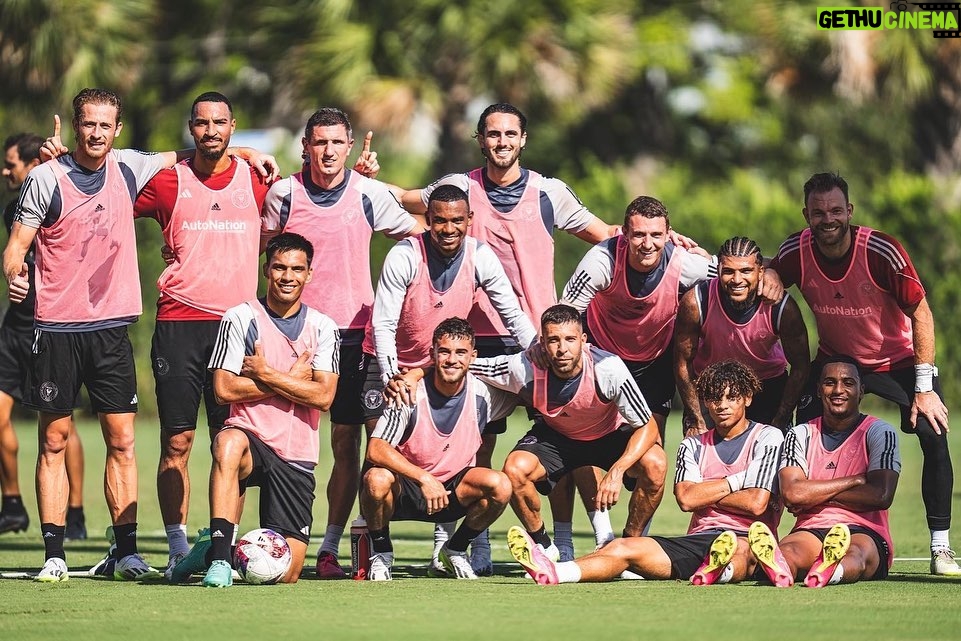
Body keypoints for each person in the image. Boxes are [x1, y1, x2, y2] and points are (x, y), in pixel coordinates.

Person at [1, 88, 276, 582]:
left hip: (120, 328)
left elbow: (203, 155)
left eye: (105, 125)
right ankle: (58, 553)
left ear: (117, 130)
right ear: (77, 124)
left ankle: (145, 550)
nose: (96, 133)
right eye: (89, 124)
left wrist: (247, 153)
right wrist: (15, 270)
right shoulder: (56, 177)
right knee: (58, 439)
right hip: (66, 327)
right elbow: (17, 244)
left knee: (134, 440)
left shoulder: (132, 168)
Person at [394, 103, 621, 569]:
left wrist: (669, 239)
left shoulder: (549, 193)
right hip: (475, 338)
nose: (501, 141)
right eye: (492, 134)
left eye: (510, 133)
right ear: (481, 140)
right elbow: (404, 198)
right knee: (472, 441)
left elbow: (608, 236)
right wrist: (367, 178)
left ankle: (569, 539)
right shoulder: (458, 189)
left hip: (539, 340)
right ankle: (461, 538)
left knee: (565, 438)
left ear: (523, 139)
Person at [768, 172, 957, 575]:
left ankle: (940, 548)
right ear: (806, 215)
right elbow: (759, 277)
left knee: (933, 430)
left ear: (849, 211)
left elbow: (921, 313)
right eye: (818, 213)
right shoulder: (794, 251)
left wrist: (924, 388)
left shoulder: (881, 250)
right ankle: (804, 530)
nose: (827, 219)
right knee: (797, 430)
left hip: (897, 361)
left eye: (835, 210)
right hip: (837, 360)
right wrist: (759, 275)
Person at [261, 107, 421, 578]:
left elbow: (421, 234)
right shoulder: (284, 194)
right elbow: (259, 248)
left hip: (358, 337)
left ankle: (345, 546)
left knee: (362, 441)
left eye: (336, 143)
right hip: (300, 337)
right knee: (293, 440)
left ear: (349, 147)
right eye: (319, 142)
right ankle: (278, 538)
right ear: (305, 147)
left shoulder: (368, 193)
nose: (328, 151)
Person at [133, 92, 273, 579]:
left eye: (220, 122)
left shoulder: (258, 181)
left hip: (236, 328)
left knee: (229, 445)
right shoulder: (167, 182)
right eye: (201, 123)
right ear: (190, 128)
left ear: (233, 126)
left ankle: (221, 550)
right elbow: (105, 196)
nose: (211, 130)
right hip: (177, 324)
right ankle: (176, 548)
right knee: (177, 441)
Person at [507, 359, 783, 585]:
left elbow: (756, 503)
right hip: (699, 541)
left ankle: (718, 572)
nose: (722, 405)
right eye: (714, 398)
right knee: (621, 548)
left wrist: (706, 492)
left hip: (751, 539)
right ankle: (555, 572)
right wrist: (740, 481)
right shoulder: (692, 444)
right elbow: (687, 500)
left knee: (742, 550)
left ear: (747, 398)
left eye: (731, 398)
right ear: (706, 402)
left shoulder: (768, 437)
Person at [170, 232, 339, 587]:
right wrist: (289, 381)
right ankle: (218, 556)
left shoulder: (324, 327)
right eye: (279, 267)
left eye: (297, 269)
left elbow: (323, 397)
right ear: (266, 270)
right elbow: (223, 389)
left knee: (287, 574)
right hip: (251, 436)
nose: (287, 276)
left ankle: (204, 551)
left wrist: (265, 373)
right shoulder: (239, 317)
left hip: (295, 453)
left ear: (309, 274)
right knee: (227, 443)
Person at [467, 304, 665, 555]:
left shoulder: (608, 368)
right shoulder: (524, 366)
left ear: (583, 341)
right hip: (558, 438)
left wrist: (618, 470)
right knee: (514, 469)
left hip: (609, 435)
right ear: (541, 343)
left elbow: (647, 425)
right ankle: (544, 548)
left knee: (656, 463)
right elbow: (464, 366)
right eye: (553, 340)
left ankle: (629, 549)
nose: (562, 349)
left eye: (570, 339)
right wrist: (417, 373)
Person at [362, 318, 516, 581]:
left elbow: (530, 387)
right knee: (376, 479)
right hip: (410, 488)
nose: (451, 360)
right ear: (432, 353)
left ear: (473, 356)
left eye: (461, 353)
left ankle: (454, 549)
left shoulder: (486, 395)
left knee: (501, 485)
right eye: (444, 351)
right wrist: (424, 478)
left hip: (453, 493)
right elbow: (375, 449)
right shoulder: (409, 393)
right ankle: (382, 552)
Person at [561, 195, 716, 441]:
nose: (647, 244)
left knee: (651, 451)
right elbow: (564, 315)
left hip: (654, 361)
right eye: (638, 235)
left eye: (656, 235)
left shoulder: (684, 262)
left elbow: (735, 272)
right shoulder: (602, 260)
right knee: (590, 443)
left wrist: (771, 271)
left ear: (668, 235)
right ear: (624, 233)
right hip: (604, 355)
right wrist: (577, 361)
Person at [0, 133, 88, 538]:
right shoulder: (12, 211)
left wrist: (64, 158)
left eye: (11, 164)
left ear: (32, 164)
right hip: (16, 327)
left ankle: (75, 511)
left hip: (53, 324)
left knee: (58, 425)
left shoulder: (69, 192)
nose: (5, 170)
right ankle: (13, 504)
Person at [747, 355, 900, 588]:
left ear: (861, 390)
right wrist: (854, 481)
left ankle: (830, 570)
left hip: (863, 529)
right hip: (811, 528)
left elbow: (880, 495)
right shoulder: (800, 434)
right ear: (819, 390)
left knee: (856, 555)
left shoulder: (880, 432)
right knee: (788, 552)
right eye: (830, 382)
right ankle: (780, 569)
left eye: (848, 383)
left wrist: (814, 495)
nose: (838, 389)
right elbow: (792, 493)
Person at [674, 236, 810, 434]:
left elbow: (801, 366)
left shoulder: (781, 307)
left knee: (773, 459)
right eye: (728, 271)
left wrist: (781, 418)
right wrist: (696, 418)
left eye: (746, 271)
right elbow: (682, 363)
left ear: (760, 272)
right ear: (718, 269)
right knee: (698, 453)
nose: (737, 280)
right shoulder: (696, 302)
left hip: (766, 387)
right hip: (712, 387)